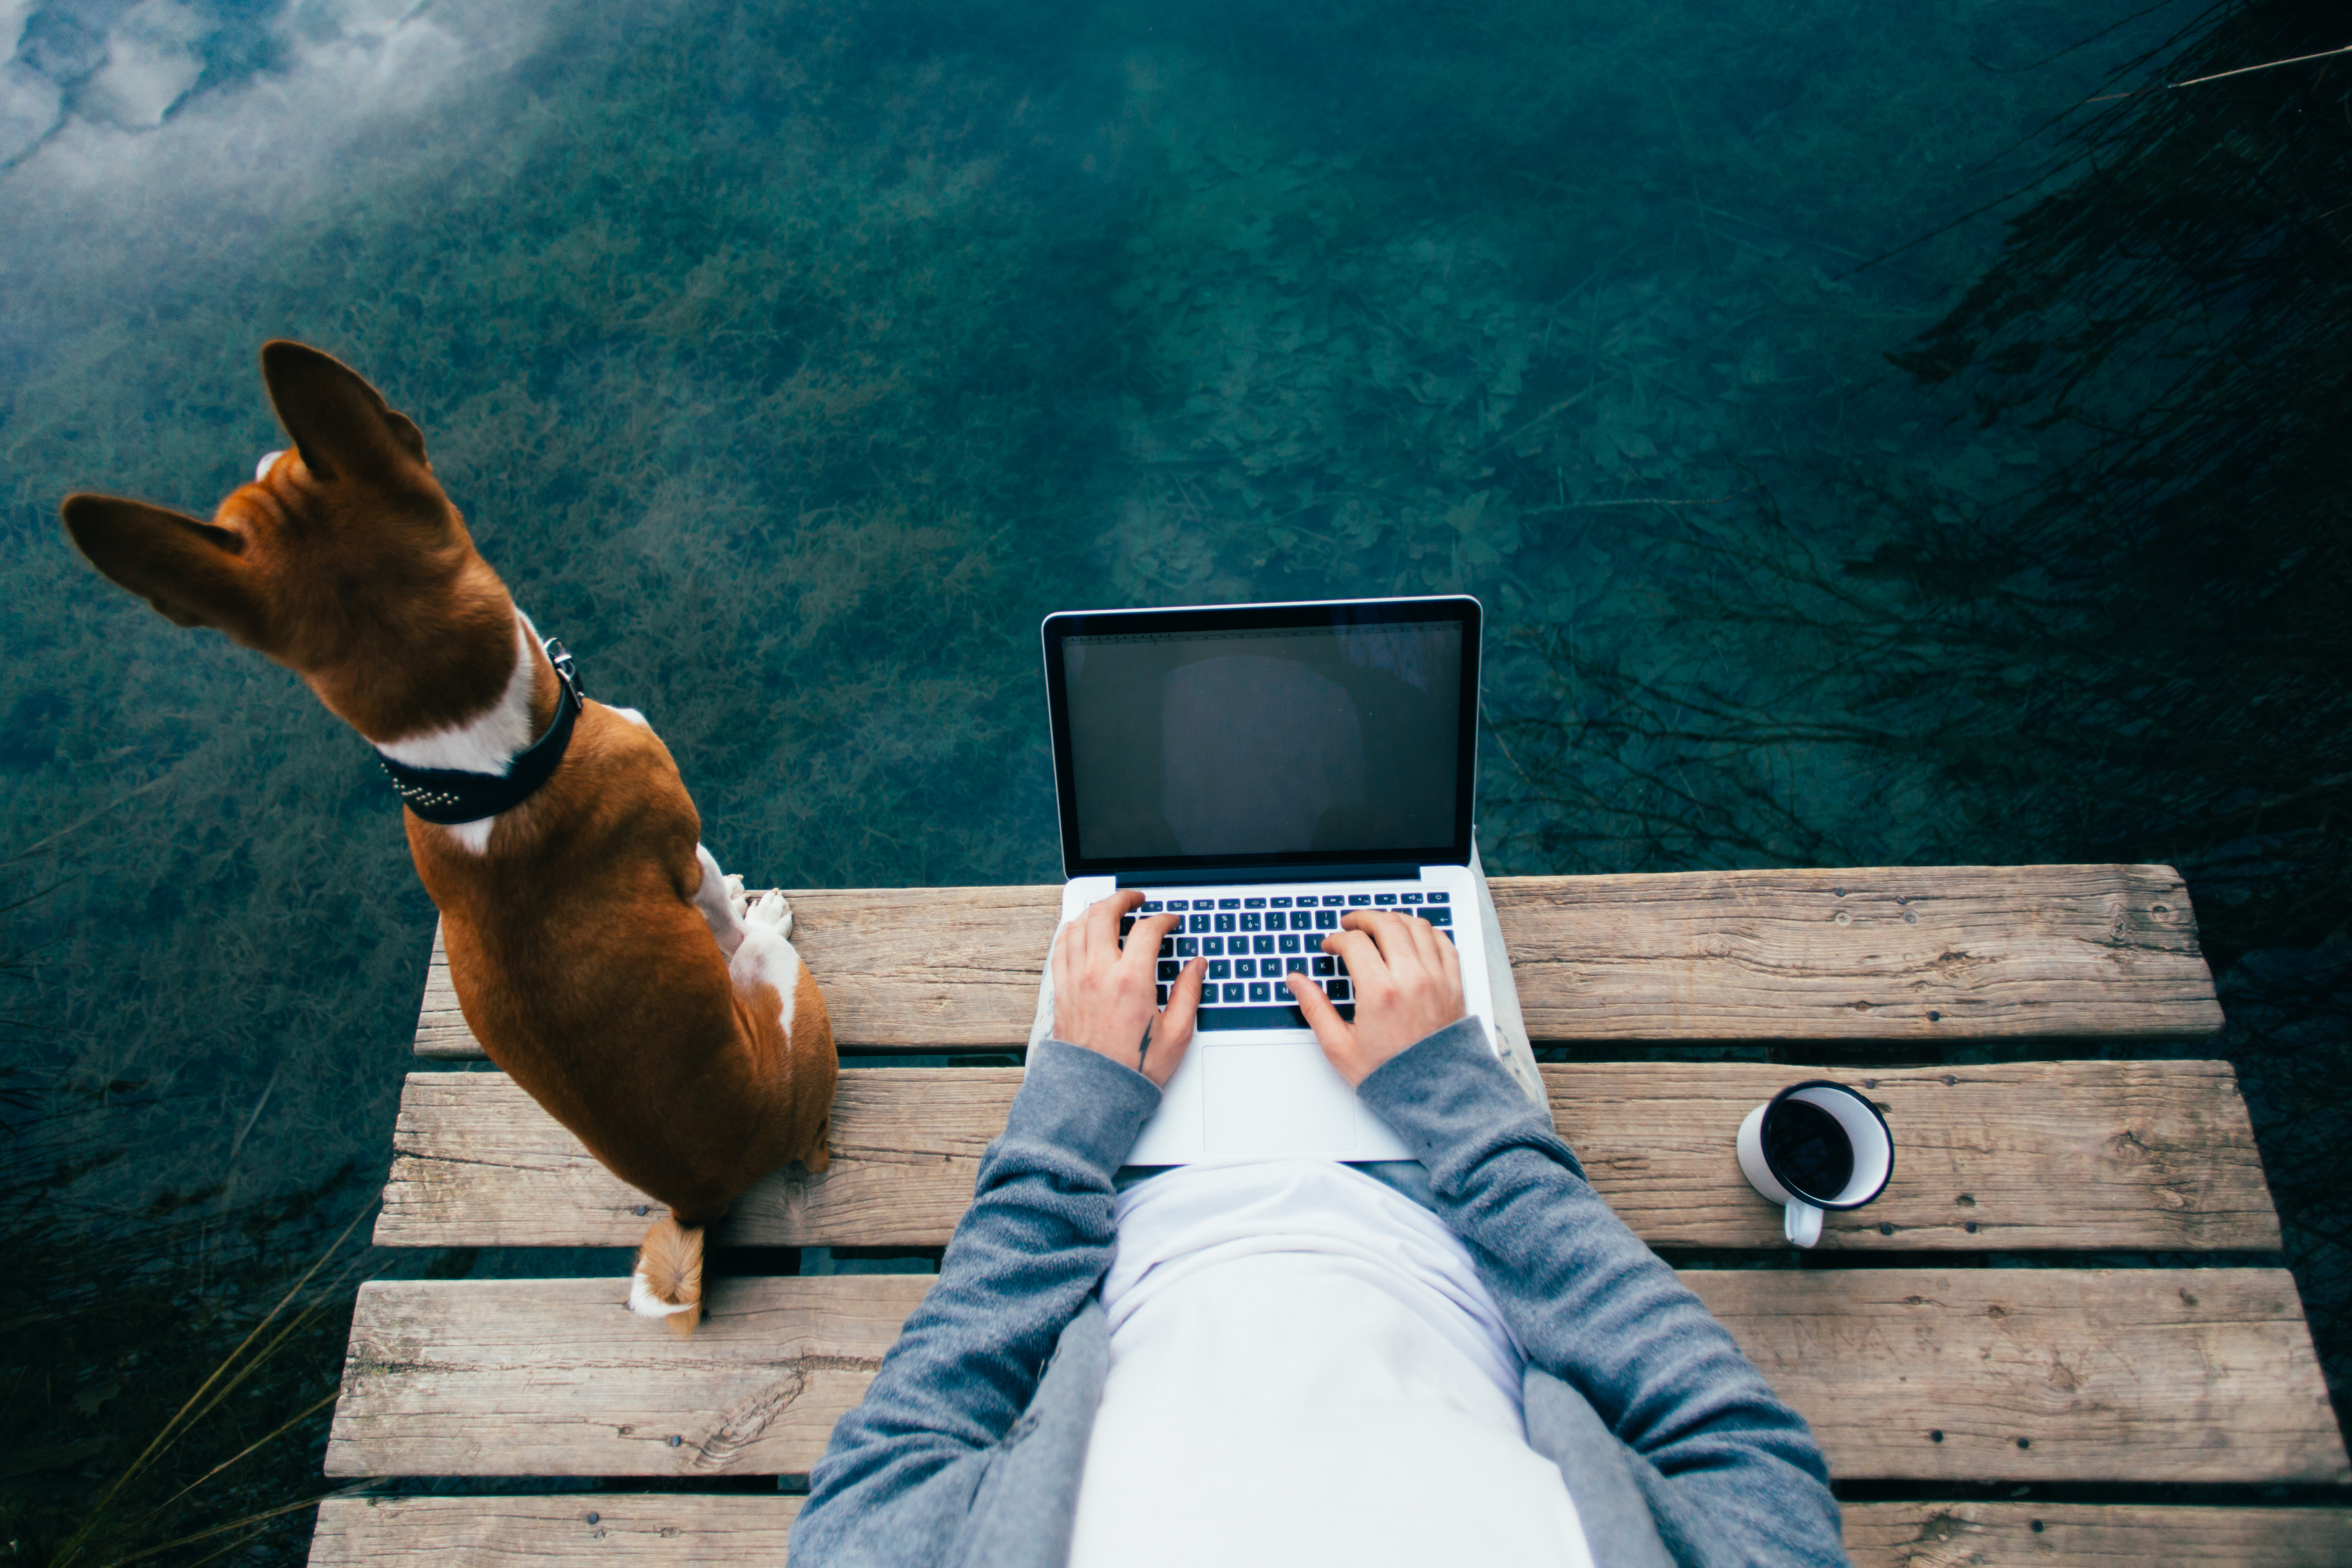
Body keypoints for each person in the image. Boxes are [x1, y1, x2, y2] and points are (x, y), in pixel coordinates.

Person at [792, 890, 1849, 1568]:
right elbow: (1757, 1478)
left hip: (1113, 1188)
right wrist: (1455, 1099)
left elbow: (881, 1482)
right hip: (1453, 1191)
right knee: (1415, 885)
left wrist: (1077, 1114)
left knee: (1121, 920)